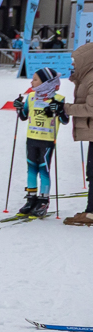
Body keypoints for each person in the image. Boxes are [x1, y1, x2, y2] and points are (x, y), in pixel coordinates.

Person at [12, 68, 69, 218]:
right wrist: (19, 107)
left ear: (45, 83)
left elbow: (65, 120)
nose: (32, 82)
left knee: (44, 169)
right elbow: (24, 116)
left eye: (35, 79)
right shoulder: (31, 97)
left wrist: (59, 110)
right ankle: (31, 199)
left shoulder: (58, 98)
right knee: (31, 168)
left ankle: (43, 200)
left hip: (47, 140)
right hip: (31, 139)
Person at [64, 43, 93, 225]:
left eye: (75, 61)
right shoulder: (87, 77)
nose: (73, 64)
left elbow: (91, 107)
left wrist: (66, 108)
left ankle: (91, 213)